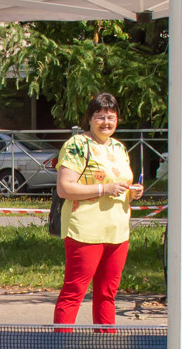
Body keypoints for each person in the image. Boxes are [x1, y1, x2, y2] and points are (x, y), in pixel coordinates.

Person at [54, 92, 139, 326]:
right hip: (85, 231)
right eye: (100, 117)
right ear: (90, 119)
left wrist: (132, 192)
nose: (106, 122)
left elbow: (120, 186)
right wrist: (104, 189)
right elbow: (64, 188)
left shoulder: (119, 148)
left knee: (107, 295)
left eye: (111, 117)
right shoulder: (77, 145)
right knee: (74, 293)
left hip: (118, 232)